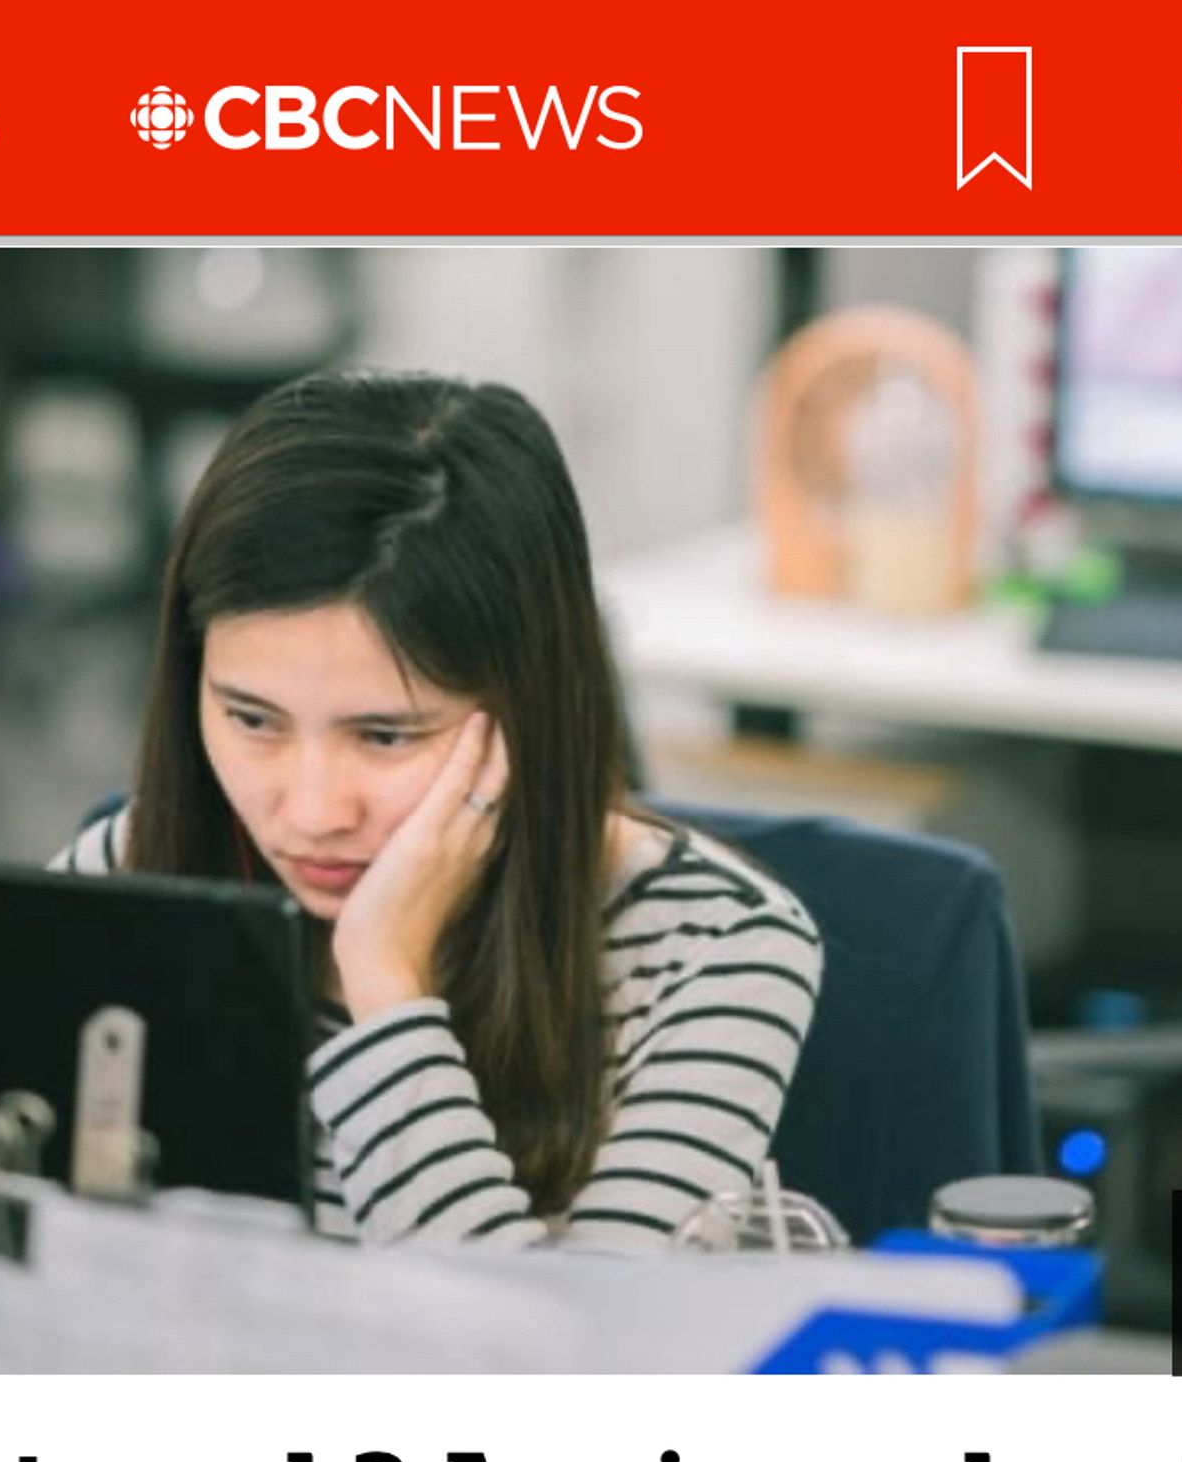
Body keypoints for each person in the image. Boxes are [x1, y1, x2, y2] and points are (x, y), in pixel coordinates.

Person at [52, 370, 821, 1247]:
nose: (311, 812)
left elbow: (564, 1365)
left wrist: (388, 988)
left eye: (385, 736)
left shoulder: (717, 947)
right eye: (251, 719)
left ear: (529, 705)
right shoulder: (129, 874)